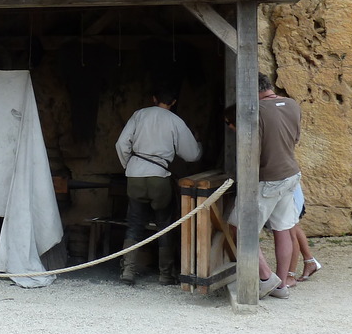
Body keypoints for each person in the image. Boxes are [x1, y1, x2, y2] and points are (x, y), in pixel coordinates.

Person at [225, 74, 303, 299]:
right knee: (283, 230)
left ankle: (267, 278)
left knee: (240, 228)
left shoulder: (255, 111)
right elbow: (295, 138)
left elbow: (252, 149)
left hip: (267, 178)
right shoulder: (292, 105)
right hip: (290, 174)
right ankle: (281, 285)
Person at [114, 87, 203, 286]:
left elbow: (121, 144)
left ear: (153, 98)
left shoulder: (139, 115)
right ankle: (165, 274)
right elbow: (191, 155)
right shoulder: (175, 121)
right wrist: (199, 144)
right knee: (164, 225)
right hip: (159, 177)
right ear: (173, 102)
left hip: (135, 176)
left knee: (134, 224)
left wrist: (129, 166)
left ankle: (127, 272)